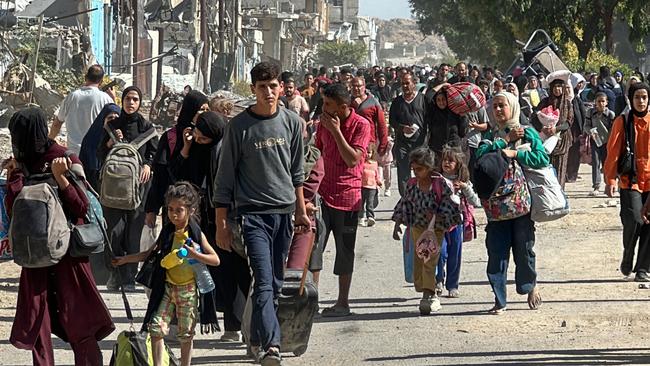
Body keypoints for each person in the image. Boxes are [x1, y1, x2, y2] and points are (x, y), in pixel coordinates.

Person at [213, 61, 310, 365]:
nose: (269, 92)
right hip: (252, 215)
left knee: (277, 284)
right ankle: (272, 345)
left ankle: (255, 339)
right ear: (253, 89)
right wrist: (221, 224)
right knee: (264, 280)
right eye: (262, 87)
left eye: (273, 86)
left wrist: (301, 210)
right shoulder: (238, 127)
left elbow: (296, 172)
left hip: (283, 213)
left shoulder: (293, 123)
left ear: (281, 87)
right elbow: (224, 178)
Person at [5, 107, 115, 365]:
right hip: (35, 258)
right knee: (38, 324)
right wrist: (14, 177)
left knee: (79, 320)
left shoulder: (63, 157)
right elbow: (14, 212)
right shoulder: (19, 163)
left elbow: (82, 207)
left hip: (67, 257)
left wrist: (61, 178)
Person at [112, 182, 221, 366]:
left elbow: (215, 259)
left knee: (185, 334)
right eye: (170, 209)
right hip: (167, 288)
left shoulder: (195, 234)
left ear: (191, 210)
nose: (174, 214)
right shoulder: (167, 232)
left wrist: (195, 254)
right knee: (156, 329)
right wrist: (124, 260)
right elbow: (148, 255)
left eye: (179, 210)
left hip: (187, 291)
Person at [475, 91, 548, 314]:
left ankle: (530, 286)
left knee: (524, 251)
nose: (498, 110)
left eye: (502, 106)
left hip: (520, 206)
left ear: (513, 107)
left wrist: (516, 154)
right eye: (494, 106)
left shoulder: (526, 132)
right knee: (496, 254)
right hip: (496, 209)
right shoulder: (490, 136)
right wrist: (504, 142)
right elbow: (480, 157)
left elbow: (542, 157)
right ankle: (499, 300)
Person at [316, 83, 371, 317]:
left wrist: (337, 132)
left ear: (342, 107)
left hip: (348, 198)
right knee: (314, 250)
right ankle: (310, 301)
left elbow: (352, 159)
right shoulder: (322, 124)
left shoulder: (361, 125)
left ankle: (342, 302)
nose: (323, 108)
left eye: (328, 104)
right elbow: (317, 153)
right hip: (323, 195)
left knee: (344, 251)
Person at [98, 86, 158, 291]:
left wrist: (148, 165)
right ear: (122, 101)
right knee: (114, 233)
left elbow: (155, 153)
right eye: (127, 99)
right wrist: (108, 143)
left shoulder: (147, 127)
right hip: (114, 189)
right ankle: (115, 274)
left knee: (133, 233)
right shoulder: (112, 126)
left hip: (139, 190)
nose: (130, 103)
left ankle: (130, 276)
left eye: (135, 99)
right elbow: (99, 155)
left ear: (140, 103)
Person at [391, 147, 462, 315]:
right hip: (417, 227)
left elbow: (451, 206)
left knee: (429, 260)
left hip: (435, 230)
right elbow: (405, 203)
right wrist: (397, 224)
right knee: (418, 262)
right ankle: (427, 292)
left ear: (429, 167)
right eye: (414, 169)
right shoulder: (412, 184)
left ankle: (428, 295)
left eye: (419, 169)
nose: (416, 172)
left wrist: (438, 217)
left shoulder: (440, 184)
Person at [145, 90, 210, 228]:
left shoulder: (209, 138)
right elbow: (160, 176)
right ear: (190, 110)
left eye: (207, 109)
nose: (205, 113)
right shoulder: (171, 137)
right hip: (175, 208)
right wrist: (152, 209)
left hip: (201, 208)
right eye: (201, 109)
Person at [606, 83, 650, 281]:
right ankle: (628, 252)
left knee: (649, 225)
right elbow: (613, 152)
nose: (641, 101)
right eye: (637, 97)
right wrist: (610, 179)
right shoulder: (622, 122)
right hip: (629, 180)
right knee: (634, 221)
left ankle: (643, 268)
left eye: (644, 97)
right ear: (630, 100)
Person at [435, 148, 480, 298]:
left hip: (457, 224)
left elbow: (476, 202)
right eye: (444, 160)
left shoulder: (463, 183)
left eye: (451, 161)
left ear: (458, 164)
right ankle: (438, 280)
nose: (446, 163)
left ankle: (452, 285)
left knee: (455, 255)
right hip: (439, 223)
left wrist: (465, 188)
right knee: (439, 253)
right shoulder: (436, 179)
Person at [49, 64, 114, 154]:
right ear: (101, 81)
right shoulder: (106, 99)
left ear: (86, 77)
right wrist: (113, 99)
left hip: (74, 154)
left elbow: (57, 123)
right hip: (95, 153)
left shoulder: (71, 96)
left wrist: (49, 142)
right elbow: (114, 122)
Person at [390, 72, 428, 196]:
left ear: (414, 83)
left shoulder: (423, 99)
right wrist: (402, 128)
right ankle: (406, 200)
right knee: (403, 173)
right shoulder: (397, 102)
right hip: (402, 144)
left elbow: (429, 120)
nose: (405, 86)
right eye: (403, 84)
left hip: (420, 143)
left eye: (407, 83)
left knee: (422, 170)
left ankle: (423, 197)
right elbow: (392, 121)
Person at [533, 77, 574, 189]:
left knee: (560, 169)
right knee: (547, 168)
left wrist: (556, 129)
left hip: (562, 141)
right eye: (555, 87)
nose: (557, 89)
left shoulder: (568, 104)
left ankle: (560, 193)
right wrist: (543, 128)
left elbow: (569, 122)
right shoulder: (544, 102)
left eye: (559, 86)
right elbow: (534, 117)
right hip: (545, 140)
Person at [79, 103, 120, 190]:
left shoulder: (124, 136)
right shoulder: (91, 138)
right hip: (95, 184)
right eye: (110, 118)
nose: (113, 121)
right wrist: (107, 145)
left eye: (116, 118)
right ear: (103, 120)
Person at [585, 92, 615, 196]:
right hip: (595, 142)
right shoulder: (590, 113)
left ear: (606, 102)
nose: (601, 103)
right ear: (595, 102)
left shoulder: (610, 114)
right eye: (599, 101)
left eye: (603, 101)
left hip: (607, 143)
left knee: (607, 164)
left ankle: (609, 184)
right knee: (596, 163)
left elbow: (613, 129)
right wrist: (591, 132)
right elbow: (586, 126)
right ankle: (596, 186)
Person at [351, 76, 389, 156]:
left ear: (364, 87)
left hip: (368, 143)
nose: (356, 88)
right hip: (351, 141)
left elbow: (381, 125)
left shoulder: (373, 102)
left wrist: (383, 145)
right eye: (353, 86)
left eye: (358, 86)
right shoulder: (347, 102)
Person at [426, 87, 466, 160]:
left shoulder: (455, 112)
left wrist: (463, 117)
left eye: (443, 99)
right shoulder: (433, 112)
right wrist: (443, 85)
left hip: (454, 150)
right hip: (437, 150)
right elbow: (427, 97)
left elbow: (463, 133)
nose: (441, 102)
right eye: (438, 100)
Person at [359, 145, 382, 227]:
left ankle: (370, 217)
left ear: (372, 153)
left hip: (372, 187)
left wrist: (379, 182)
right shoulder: (361, 163)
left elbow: (376, 174)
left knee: (370, 203)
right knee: (360, 203)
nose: (367, 155)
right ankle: (361, 217)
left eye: (369, 153)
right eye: (366, 153)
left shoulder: (374, 163)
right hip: (362, 186)